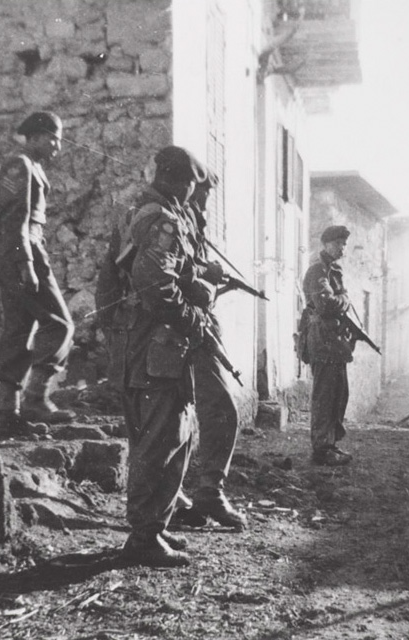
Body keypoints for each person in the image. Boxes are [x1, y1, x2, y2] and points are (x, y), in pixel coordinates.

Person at [95, 146, 207, 567]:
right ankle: (144, 535)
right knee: (163, 439)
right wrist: (193, 317)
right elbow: (154, 282)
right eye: (192, 187)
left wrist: (115, 333)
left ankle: (153, 528)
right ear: (183, 183)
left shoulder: (133, 213)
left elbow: (108, 280)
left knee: (155, 438)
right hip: (157, 350)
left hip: (135, 347)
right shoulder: (164, 220)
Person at [171, 171, 248, 531]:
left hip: (191, 325)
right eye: (201, 193)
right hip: (179, 329)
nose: (204, 202)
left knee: (211, 409)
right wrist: (208, 282)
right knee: (212, 410)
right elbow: (172, 278)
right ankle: (199, 496)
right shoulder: (169, 221)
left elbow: (189, 269)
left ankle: (200, 494)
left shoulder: (189, 223)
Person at [0, 111, 76, 438]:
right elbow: (14, 218)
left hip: (22, 251)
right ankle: (35, 399)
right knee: (60, 324)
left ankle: (6, 412)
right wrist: (26, 263)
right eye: (53, 138)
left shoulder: (33, 167)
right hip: (22, 251)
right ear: (37, 136)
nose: (57, 145)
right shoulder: (21, 165)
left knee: (18, 329)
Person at [301, 225, 356, 466]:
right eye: (338, 243)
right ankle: (321, 449)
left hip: (335, 342)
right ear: (325, 244)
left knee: (338, 393)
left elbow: (337, 300)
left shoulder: (333, 271)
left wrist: (341, 299)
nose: (342, 248)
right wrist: (344, 298)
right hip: (322, 340)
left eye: (344, 244)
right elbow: (325, 305)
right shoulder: (317, 271)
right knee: (324, 395)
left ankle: (330, 444)